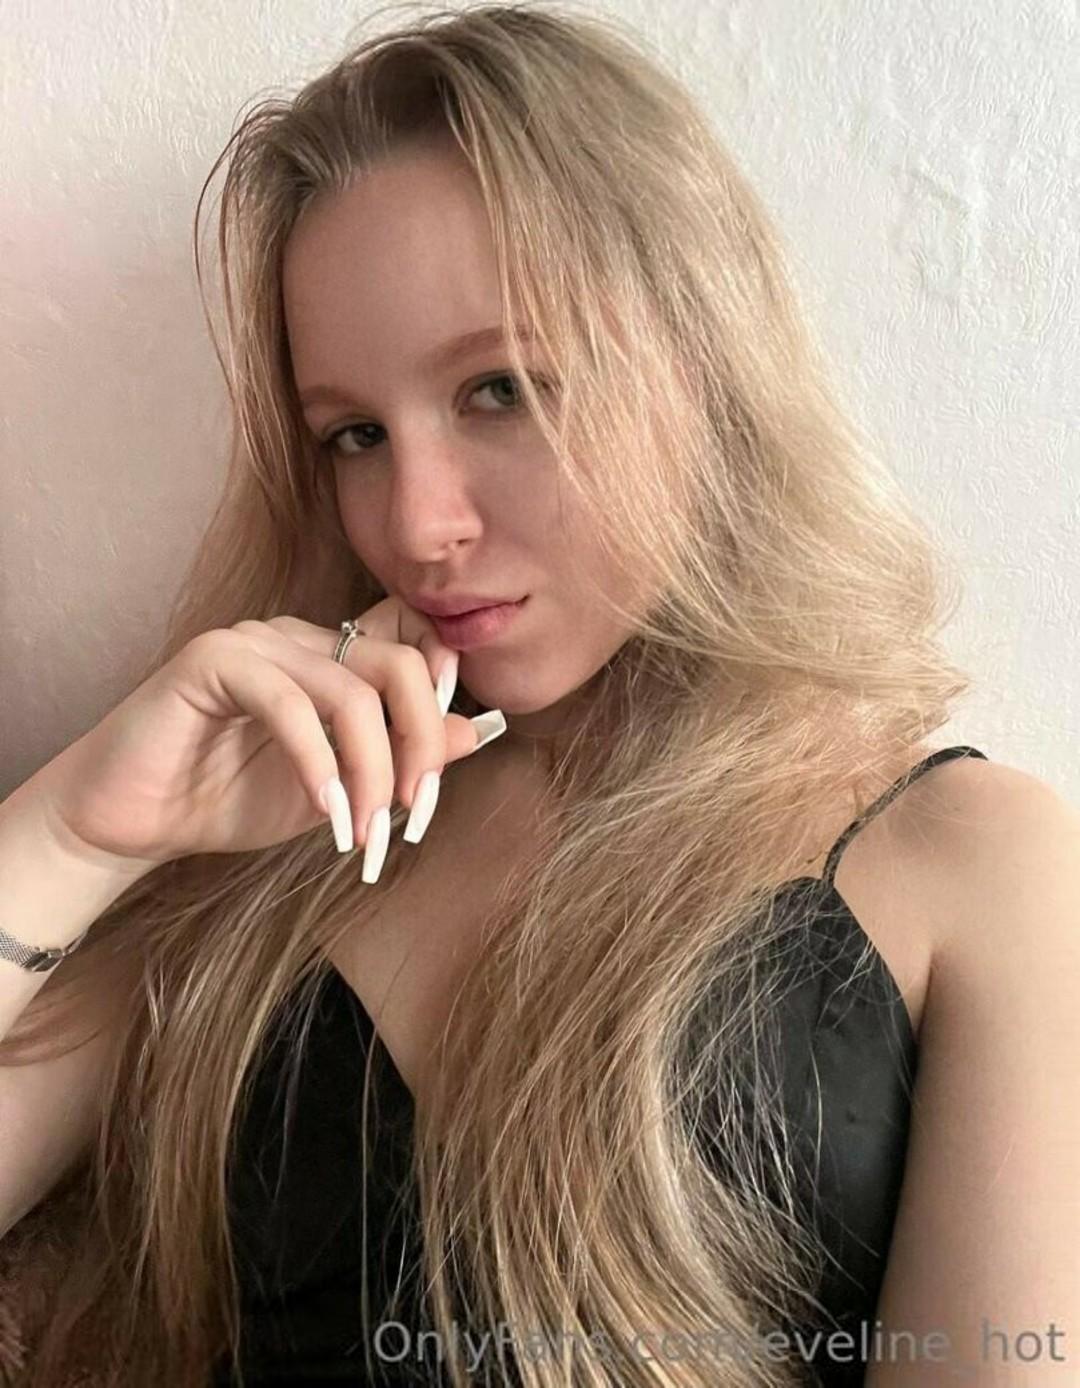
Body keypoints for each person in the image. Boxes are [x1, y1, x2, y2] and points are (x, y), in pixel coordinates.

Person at [1, 5, 1076, 1386]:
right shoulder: (276, 833)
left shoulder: (974, 863)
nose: (417, 523)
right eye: (355, 433)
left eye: (500, 390)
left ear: (701, 361)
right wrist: (78, 834)